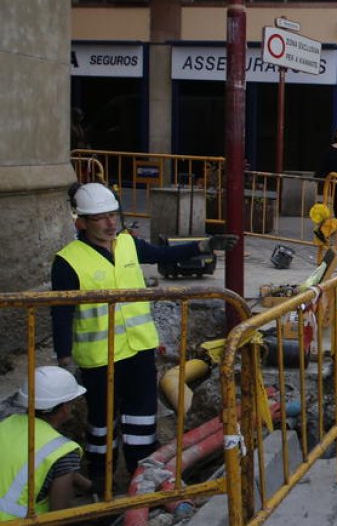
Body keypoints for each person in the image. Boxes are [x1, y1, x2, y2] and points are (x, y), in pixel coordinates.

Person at [50, 183, 237, 485]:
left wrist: (204, 245)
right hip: (100, 358)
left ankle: (142, 472)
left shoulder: (127, 244)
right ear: (81, 222)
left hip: (139, 349)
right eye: (101, 218)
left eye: (113, 215)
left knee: (142, 414)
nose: (111, 223)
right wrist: (65, 360)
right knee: (101, 421)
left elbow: (162, 253)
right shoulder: (67, 261)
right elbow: (60, 315)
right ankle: (101, 478)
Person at [0, 366, 91, 519]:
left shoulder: (6, 424)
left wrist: (89, 485)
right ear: (64, 408)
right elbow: (60, 513)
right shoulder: (63, 451)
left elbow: (24, 466)